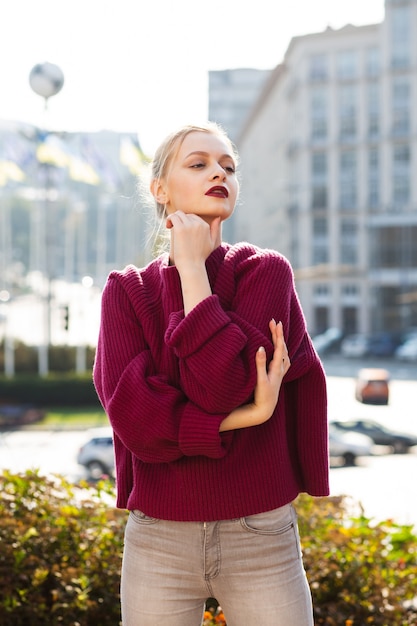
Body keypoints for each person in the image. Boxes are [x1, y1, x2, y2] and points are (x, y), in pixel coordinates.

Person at [93, 122, 329, 626]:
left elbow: (219, 387)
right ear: (160, 189)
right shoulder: (125, 292)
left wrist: (193, 272)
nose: (219, 172)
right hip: (158, 536)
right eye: (198, 163)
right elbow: (139, 424)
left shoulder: (266, 273)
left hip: (260, 532)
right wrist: (246, 417)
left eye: (228, 166)